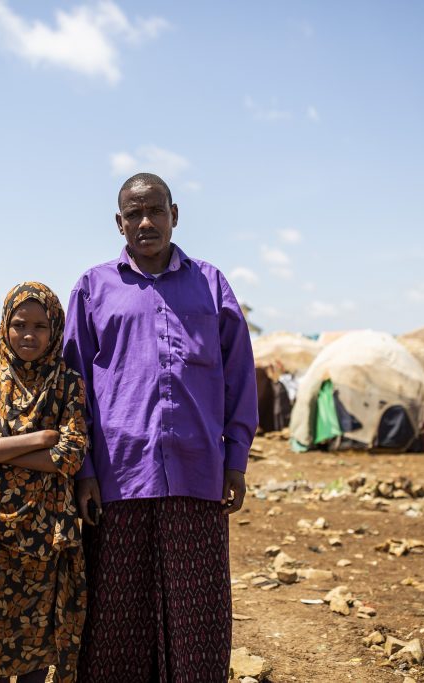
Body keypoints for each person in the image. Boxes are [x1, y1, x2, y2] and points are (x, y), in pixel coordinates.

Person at [63, 172, 258, 682]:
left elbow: (239, 376)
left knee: (199, 615)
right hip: (118, 478)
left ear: (175, 214)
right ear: (119, 223)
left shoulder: (211, 284)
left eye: (155, 210)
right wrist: (83, 470)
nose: (145, 222)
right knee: (116, 616)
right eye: (134, 213)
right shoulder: (92, 287)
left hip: (198, 473)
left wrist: (235, 459)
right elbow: (73, 386)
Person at [0, 282, 88, 683]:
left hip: (47, 536)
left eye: (40, 326)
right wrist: (40, 439)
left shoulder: (67, 385)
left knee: (34, 646)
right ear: (4, 328)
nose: (29, 335)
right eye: (19, 324)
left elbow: (72, 455)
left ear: (55, 331)